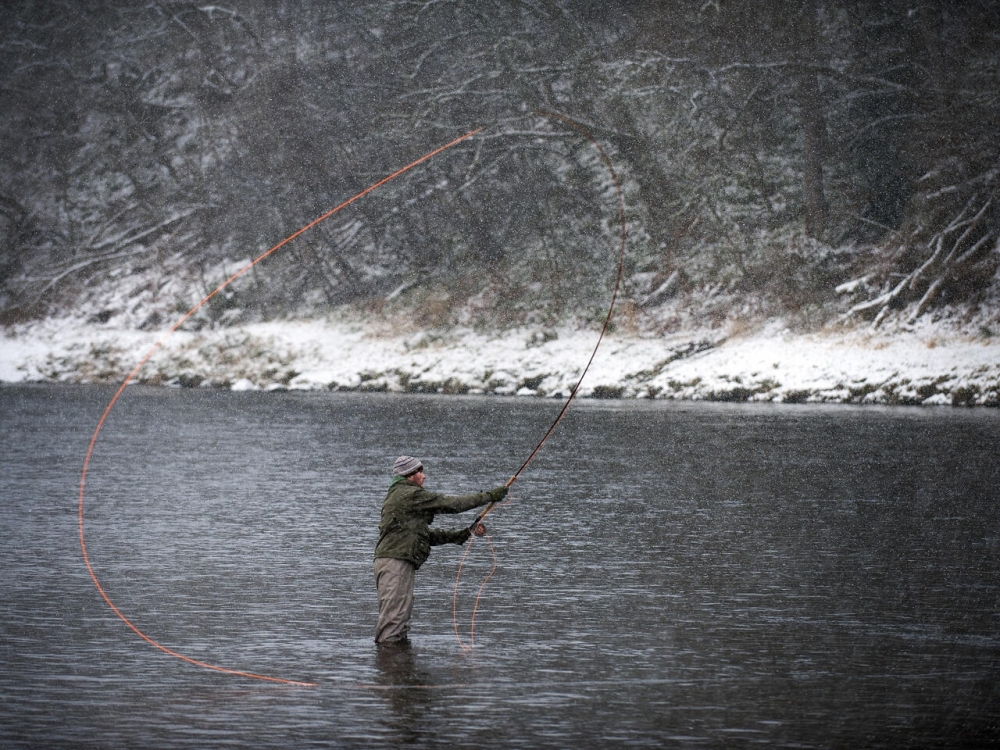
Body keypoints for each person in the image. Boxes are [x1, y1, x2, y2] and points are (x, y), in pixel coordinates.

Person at [374, 455, 508, 645]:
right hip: (395, 562)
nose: (424, 476)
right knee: (394, 620)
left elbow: (418, 534)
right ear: (409, 475)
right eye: (420, 471)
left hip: (393, 560)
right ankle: (390, 666)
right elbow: (451, 504)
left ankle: (398, 667)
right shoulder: (410, 494)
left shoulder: (401, 495)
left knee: (399, 618)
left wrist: (454, 536)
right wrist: (489, 496)